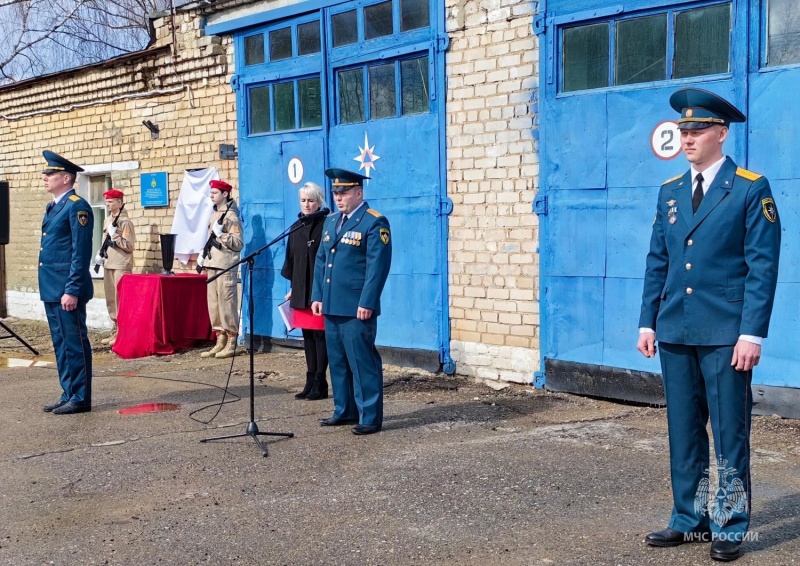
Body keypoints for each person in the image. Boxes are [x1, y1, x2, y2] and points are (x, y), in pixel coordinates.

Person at [637, 88, 781, 562]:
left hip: (725, 335)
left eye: (697, 130)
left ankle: (731, 524)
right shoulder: (670, 192)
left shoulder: (749, 188)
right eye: (683, 131)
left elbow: (762, 266)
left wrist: (751, 333)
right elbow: (658, 261)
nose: (687, 138)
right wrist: (647, 322)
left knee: (729, 431)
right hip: (676, 328)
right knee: (684, 430)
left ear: (721, 133)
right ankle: (689, 519)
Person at [311, 168, 392, 435]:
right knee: (338, 361)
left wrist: (367, 302)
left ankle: (369, 416)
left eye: (343, 192)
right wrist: (318, 296)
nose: (338, 197)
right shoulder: (331, 221)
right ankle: (344, 410)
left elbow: (376, 267)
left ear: (359, 192)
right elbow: (322, 261)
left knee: (362, 362)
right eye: (335, 193)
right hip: (333, 305)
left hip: (357, 307)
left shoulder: (374, 222)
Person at [39, 150, 94, 415]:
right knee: (61, 344)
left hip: (66, 290)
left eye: (51, 174)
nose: (45, 177)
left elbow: (80, 252)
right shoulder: (55, 206)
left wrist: (72, 289)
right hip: (52, 288)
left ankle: (81, 397)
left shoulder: (77, 206)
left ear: (66, 178)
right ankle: (68, 392)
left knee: (74, 344)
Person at [281, 182, 329, 401]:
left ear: (319, 201)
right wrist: (292, 287)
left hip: (319, 290)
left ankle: (321, 382)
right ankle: (309, 380)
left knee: (320, 336)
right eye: (303, 200)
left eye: (311, 200)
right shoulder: (296, 227)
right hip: (301, 289)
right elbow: (291, 259)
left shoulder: (327, 225)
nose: (307, 205)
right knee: (307, 336)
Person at [197, 179, 243, 359]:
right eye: (211, 192)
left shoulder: (231, 216)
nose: (211, 195)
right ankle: (220, 339)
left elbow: (238, 244)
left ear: (225, 194)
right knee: (214, 305)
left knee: (226, 304)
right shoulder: (214, 214)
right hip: (212, 264)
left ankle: (232, 341)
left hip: (225, 265)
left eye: (215, 193)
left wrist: (222, 235)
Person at [94, 189, 135, 347]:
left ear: (119, 202)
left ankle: (123, 332)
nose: (108, 204)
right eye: (107, 202)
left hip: (120, 264)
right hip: (109, 262)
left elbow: (129, 246)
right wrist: (100, 253)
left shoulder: (125, 222)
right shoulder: (107, 220)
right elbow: (105, 240)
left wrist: (116, 235)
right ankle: (116, 328)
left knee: (120, 298)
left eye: (111, 202)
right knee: (111, 299)